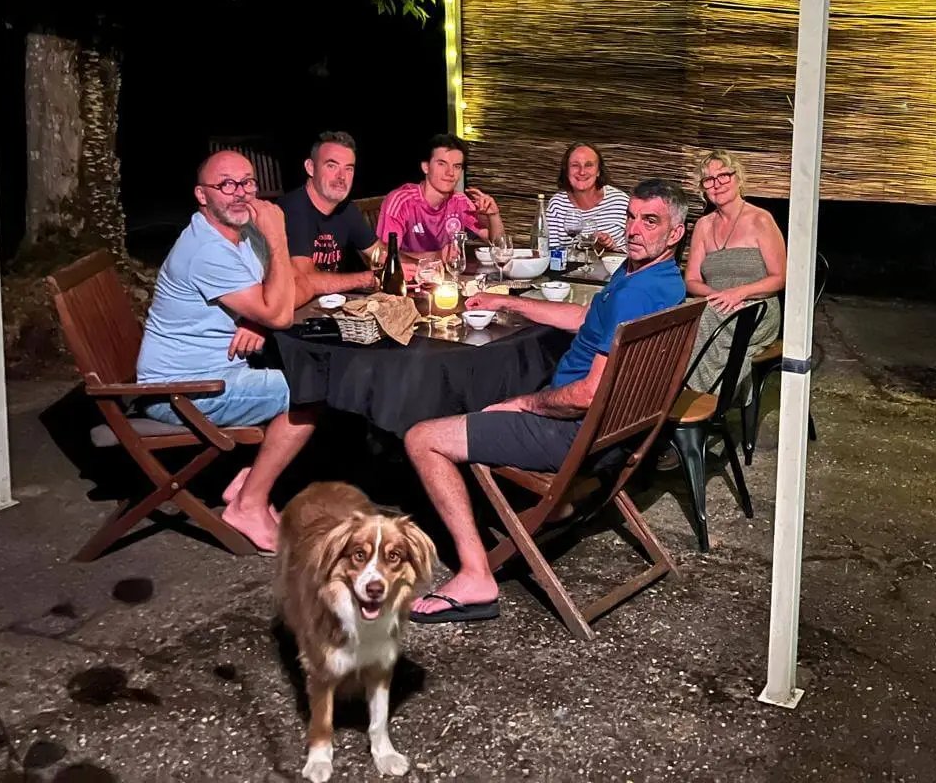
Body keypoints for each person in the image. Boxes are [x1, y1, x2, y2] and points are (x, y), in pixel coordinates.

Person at [401, 178, 691, 623]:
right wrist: (509, 304)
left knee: (423, 437)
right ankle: (562, 505)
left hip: (577, 437)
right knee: (497, 391)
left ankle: (477, 574)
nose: (634, 229)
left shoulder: (638, 289)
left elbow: (587, 394)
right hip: (619, 431)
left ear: (675, 233)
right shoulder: (657, 278)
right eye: (631, 217)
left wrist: (526, 404)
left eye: (649, 221)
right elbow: (587, 319)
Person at [136, 150, 298, 551]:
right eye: (226, 184)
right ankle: (249, 502)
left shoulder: (234, 236)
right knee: (313, 388)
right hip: (185, 391)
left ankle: (248, 483)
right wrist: (277, 238)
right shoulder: (207, 250)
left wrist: (255, 317)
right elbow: (281, 310)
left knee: (310, 373)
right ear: (201, 195)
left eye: (247, 182)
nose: (240, 193)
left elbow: (279, 297)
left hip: (213, 374)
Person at [683, 149, 786, 392]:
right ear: (703, 188)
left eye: (724, 176)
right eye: (709, 180)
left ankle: (704, 398)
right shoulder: (704, 226)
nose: (717, 184)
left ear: (738, 178)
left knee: (703, 318)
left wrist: (738, 293)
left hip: (754, 307)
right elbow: (691, 280)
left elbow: (780, 277)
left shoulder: (761, 220)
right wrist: (716, 296)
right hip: (716, 303)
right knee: (678, 315)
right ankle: (676, 393)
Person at [279, 131, 382, 299]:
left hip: (329, 304)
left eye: (348, 168)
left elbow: (381, 253)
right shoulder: (293, 209)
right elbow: (305, 279)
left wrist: (418, 266)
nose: (341, 177)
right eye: (332, 166)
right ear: (310, 168)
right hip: (294, 311)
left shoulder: (346, 208)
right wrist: (366, 279)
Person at [376, 134, 505, 260]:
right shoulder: (401, 201)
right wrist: (437, 256)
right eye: (442, 164)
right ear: (426, 167)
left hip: (446, 278)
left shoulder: (459, 202)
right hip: (407, 279)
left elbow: (499, 246)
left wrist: (494, 216)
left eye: (457, 166)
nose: (450, 173)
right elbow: (384, 258)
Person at [545, 141, 629, 253]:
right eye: (575, 165)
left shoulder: (621, 202)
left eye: (588, 165)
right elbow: (550, 253)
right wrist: (590, 246)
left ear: (598, 171)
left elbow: (638, 251)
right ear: (566, 171)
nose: (582, 172)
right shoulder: (557, 205)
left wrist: (611, 248)